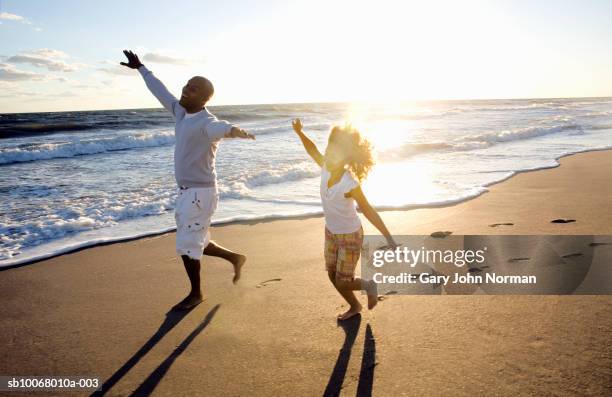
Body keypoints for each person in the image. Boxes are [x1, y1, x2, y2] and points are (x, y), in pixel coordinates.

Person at [120, 50, 255, 310]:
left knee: (186, 245)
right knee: (198, 240)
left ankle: (196, 293)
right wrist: (141, 68)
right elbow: (160, 90)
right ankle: (235, 258)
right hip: (188, 193)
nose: (185, 90)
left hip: (199, 194)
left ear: (204, 98)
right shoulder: (181, 113)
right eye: (186, 85)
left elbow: (221, 128)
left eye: (193, 89)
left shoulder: (207, 122)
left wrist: (234, 131)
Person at [291, 118, 397, 320]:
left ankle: (369, 285)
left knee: (343, 281)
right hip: (330, 232)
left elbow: (367, 210)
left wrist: (388, 237)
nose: (330, 155)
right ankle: (355, 305)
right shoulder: (325, 167)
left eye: (337, 152)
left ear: (347, 157)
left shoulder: (350, 183)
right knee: (332, 274)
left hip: (350, 236)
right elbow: (311, 148)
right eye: (329, 148)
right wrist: (299, 132)